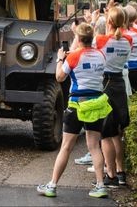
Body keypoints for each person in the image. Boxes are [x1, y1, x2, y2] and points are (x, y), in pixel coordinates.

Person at [36, 23, 110, 198]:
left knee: (66, 147)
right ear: (91, 38)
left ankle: (52, 186)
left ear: (78, 38)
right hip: (96, 103)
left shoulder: (73, 56)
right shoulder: (101, 55)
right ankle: (100, 185)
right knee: (94, 147)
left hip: (77, 104)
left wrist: (60, 59)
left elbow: (59, 77)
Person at [95, 7, 132, 187]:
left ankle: (110, 175)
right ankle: (121, 171)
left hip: (105, 83)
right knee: (117, 133)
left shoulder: (101, 40)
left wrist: (96, 20)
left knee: (105, 134)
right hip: (119, 84)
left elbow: (90, 40)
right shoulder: (129, 40)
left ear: (108, 21)